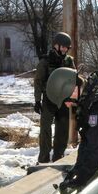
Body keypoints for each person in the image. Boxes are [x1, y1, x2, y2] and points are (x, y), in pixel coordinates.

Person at [33, 32, 76, 163]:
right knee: (45, 129)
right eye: (62, 47)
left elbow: (73, 79)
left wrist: (73, 98)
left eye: (66, 48)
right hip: (49, 98)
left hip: (64, 99)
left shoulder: (69, 61)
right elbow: (38, 81)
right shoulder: (45, 61)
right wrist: (37, 100)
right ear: (55, 46)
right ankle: (44, 158)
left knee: (62, 129)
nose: (64, 49)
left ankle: (58, 156)